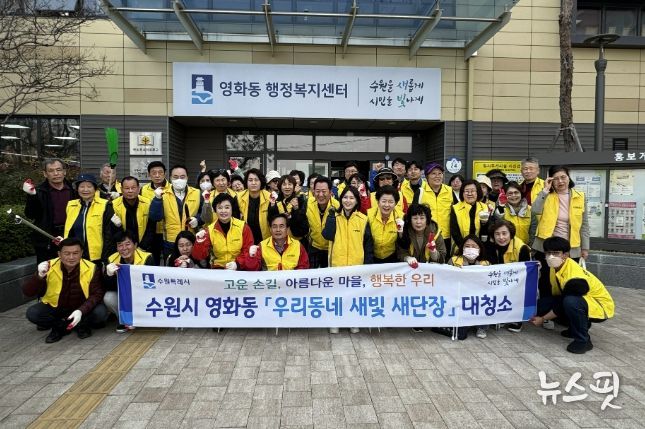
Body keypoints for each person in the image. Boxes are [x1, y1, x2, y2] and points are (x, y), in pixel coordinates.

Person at [530, 237, 614, 354]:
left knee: (570, 302)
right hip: (580, 300)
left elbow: (563, 302)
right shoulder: (555, 268)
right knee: (543, 305)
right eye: (548, 253)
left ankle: (583, 340)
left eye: (556, 253)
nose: (551, 256)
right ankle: (575, 328)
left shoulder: (574, 275)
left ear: (566, 255)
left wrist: (543, 319)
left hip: (600, 307)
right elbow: (557, 295)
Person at [531, 165, 590, 329]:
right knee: (546, 282)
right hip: (546, 246)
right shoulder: (546, 195)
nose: (560, 181)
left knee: (569, 283)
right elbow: (534, 210)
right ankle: (546, 316)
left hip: (571, 248)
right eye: (555, 178)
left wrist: (585, 248)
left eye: (563, 177)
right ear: (550, 180)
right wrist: (545, 190)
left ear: (569, 177)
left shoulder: (579, 196)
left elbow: (584, 224)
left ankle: (566, 314)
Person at [23, 238, 107, 343]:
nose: (71, 257)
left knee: (100, 313)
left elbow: (97, 294)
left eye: (75, 253)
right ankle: (60, 326)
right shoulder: (48, 266)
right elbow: (28, 292)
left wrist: (81, 311)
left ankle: (81, 323)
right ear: (59, 254)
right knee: (33, 313)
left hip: (81, 307)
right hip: (56, 307)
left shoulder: (92, 268)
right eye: (67, 253)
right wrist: (39, 276)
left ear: (81, 253)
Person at [322, 186, 373, 334]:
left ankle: (353, 321)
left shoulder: (363, 219)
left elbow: (368, 245)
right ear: (340, 199)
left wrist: (368, 266)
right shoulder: (334, 216)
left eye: (351, 198)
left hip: (357, 266)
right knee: (336, 295)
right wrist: (331, 217)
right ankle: (335, 321)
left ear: (357, 200)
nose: (348, 201)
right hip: (337, 264)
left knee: (354, 295)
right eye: (345, 197)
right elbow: (327, 235)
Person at [398, 203, 448, 331]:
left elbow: (443, 256)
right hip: (411, 273)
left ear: (427, 219)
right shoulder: (404, 230)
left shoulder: (435, 232)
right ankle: (414, 319)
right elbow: (400, 251)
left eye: (422, 218)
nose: (418, 222)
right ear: (410, 219)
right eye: (415, 218)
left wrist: (433, 252)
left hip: (429, 275)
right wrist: (407, 258)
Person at [24, 158, 76, 264]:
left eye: (58, 170)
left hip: (71, 235)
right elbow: (30, 214)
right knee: (47, 270)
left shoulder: (74, 190)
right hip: (47, 238)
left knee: (71, 269)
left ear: (64, 172)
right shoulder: (38, 191)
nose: (56, 173)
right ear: (45, 174)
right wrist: (32, 196)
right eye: (51, 171)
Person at [439, 234, 490, 340]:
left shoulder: (486, 263)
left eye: (474, 246)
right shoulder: (454, 260)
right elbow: (446, 279)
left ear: (480, 248)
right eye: (467, 246)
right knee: (461, 335)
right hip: (458, 297)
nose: (470, 248)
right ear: (462, 248)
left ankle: (481, 327)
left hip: (478, 298)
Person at [485, 219, 532, 333]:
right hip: (498, 279)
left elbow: (527, 273)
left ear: (511, 233)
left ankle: (517, 318)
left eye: (504, 233)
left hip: (517, 283)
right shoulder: (490, 246)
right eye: (497, 234)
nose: (501, 237)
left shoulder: (522, 248)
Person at [103, 230, 154, 332]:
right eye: (120, 245)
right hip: (123, 295)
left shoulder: (147, 257)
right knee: (108, 297)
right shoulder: (111, 259)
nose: (124, 248)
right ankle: (124, 320)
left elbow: (151, 284)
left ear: (135, 245)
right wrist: (109, 275)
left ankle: (141, 318)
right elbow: (109, 287)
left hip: (141, 294)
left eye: (127, 244)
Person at [149, 164, 203, 260]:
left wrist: (197, 219)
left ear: (187, 177)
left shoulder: (197, 193)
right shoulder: (162, 194)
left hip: (190, 240)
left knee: (191, 266)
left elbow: (205, 215)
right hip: (170, 242)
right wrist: (157, 199)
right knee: (171, 267)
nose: (179, 180)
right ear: (170, 178)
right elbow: (155, 217)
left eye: (182, 177)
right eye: (175, 177)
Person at [192, 193, 255, 270]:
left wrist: (238, 263)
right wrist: (199, 242)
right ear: (215, 210)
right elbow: (198, 256)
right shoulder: (209, 230)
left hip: (239, 268)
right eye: (220, 208)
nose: (223, 211)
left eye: (227, 207)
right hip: (218, 269)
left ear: (232, 208)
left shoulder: (243, 227)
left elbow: (248, 250)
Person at [63, 174, 116, 264]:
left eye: (89, 186)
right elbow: (69, 230)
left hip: (97, 256)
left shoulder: (105, 205)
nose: (85, 190)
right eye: (82, 187)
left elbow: (109, 235)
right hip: (75, 255)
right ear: (77, 189)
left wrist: (105, 257)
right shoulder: (71, 205)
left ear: (95, 189)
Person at [140, 161, 172, 265]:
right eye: (154, 173)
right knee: (154, 261)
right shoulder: (144, 189)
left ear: (165, 173)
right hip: (151, 232)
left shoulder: (172, 188)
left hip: (168, 231)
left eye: (160, 172)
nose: (157, 175)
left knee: (169, 261)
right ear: (149, 175)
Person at [110, 176, 154, 251]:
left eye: (133, 188)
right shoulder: (114, 205)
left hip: (145, 247)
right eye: (127, 188)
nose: (130, 191)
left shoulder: (148, 203)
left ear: (139, 189)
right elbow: (112, 232)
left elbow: (151, 228)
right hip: (123, 249)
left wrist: (142, 247)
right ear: (121, 190)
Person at [306, 176, 339, 268]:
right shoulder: (308, 203)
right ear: (313, 191)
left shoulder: (337, 206)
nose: (320, 195)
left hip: (331, 248)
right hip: (314, 247)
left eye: (324, 191)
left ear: (330, 192)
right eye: (317, 191)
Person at [450, 179, 491, 252]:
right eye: (466, 191)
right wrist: (464, 248)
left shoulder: (484, 208)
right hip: (460, 249)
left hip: (480, 249)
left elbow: (486, 231)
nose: (469, 194)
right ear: (462, 193)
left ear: (477, 192)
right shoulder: (455, 208)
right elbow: (455, 233)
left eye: (472, 191)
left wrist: (480, 248)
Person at [493, 181, 537, 246]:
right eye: (510, 193)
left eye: (516, 192)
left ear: (521, 193)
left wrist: (530, 248)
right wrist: (501, 206)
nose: (513, 195)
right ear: (505, 195)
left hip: (525, 247)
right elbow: (497, 223)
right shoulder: (501, 210)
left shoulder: (530, 210)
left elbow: (533, 233)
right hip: (506, 247)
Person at [267, 174, 309, 240]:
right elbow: (270, 220)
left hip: (297, 240)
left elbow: (304, 224)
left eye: (290, 184)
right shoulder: (275, 201)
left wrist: (296, 209)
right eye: (284, 185)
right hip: (280, 240)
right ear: (280, 187)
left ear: (294, 186)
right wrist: (273, 207)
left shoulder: (300, 200)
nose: (287, 187)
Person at [423, 162, 454, 252]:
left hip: (446, 236)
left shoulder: (450, 190)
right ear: (427, 176)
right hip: (427, 235)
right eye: (433, 173)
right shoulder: (420, 191)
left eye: (440, 173)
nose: (437, 176)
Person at [367, 186, 402, 264]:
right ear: (378, 201)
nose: (386, 205)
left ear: (396, 203)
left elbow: (403, 242)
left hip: (392, 257)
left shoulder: (401, 217)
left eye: (391, 202)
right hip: (371, 256)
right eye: (384, 201)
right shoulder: (368, 215)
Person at [237, 168, 271, 244]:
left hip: (266, 240)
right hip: (245, 240)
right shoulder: (239, 197)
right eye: (250, 180)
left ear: (261, 181)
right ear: (246, 182)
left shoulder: (269, 197)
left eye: (256, 180)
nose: (253, 183)